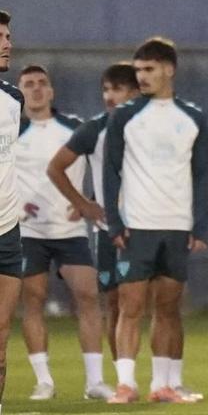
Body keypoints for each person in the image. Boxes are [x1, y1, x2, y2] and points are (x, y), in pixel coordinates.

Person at [103, 37, 208, 404]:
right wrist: (115, 224)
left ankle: (162, 385)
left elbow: (203, 175)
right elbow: (110, 172)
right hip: (139, 225)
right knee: (130, 306)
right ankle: (125, 384)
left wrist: (201, 226)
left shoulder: (193, 118)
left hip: (177, 225)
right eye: (138, 70)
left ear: (169, 69)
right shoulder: (126, 116)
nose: (142, 76)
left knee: (168, 308)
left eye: (148, 69)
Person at [13, 65, 108, 401]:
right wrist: (15, 205)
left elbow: (105, 164)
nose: (36, 89)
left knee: (88, 295)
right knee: (33, 299)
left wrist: (87, 201)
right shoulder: (10, 131)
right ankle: (44, 381)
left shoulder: (73, 128)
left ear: (52, 91)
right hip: (27, 230)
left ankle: (94, 382)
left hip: (69, 230)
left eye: (42, 84)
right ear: (20, 91)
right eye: (29, 84)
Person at [48, 62, 141, 376]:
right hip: (110, 231)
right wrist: (84, 204)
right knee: (115, 303)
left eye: (117, 89)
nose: (109, 96)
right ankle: (123, 378)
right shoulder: (95, 128)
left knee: (150, 304)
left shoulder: (150, 127)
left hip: (149, 227)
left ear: (136, 91)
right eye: (105, 89)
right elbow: (56, 167)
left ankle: (165, 380)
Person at [0, 10, 33, 415]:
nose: (7, 42)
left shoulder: (12, 97)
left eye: (8, 35)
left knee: (1, 334)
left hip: (7, 228)